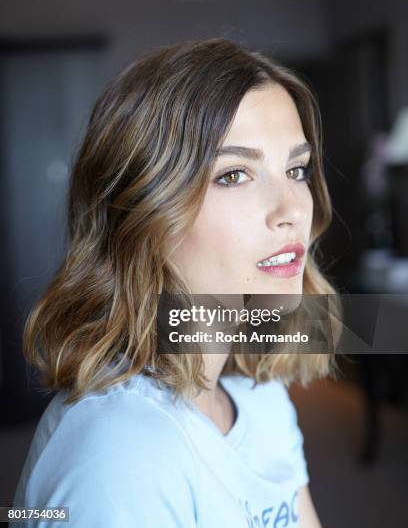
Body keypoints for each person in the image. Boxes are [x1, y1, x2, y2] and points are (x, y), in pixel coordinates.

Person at [13, 38, 341, 527]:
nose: (294, 208)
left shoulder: (260, 398)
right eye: (234, 175)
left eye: (297, 169)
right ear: (144, 213)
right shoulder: (119, 457)